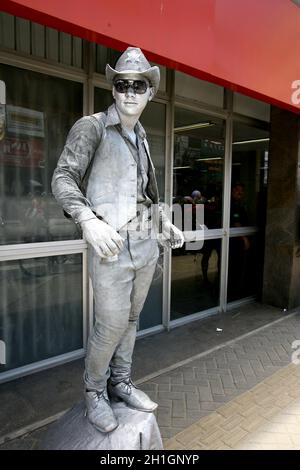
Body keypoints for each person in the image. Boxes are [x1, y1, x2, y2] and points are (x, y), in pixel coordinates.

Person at [51, 47, 184, 433]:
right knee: (108, 325)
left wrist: (163, 224)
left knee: (130, 320)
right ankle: (94, 392)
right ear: (113, 89)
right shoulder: (91, 127)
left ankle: (120, 381)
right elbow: (62, 178)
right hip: (110, 244)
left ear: (149, 93)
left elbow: (145, 194)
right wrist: (87, 220)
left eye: (138, 85)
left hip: (144, 243)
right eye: (122, 84)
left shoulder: (142, 135)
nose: (129, 92)